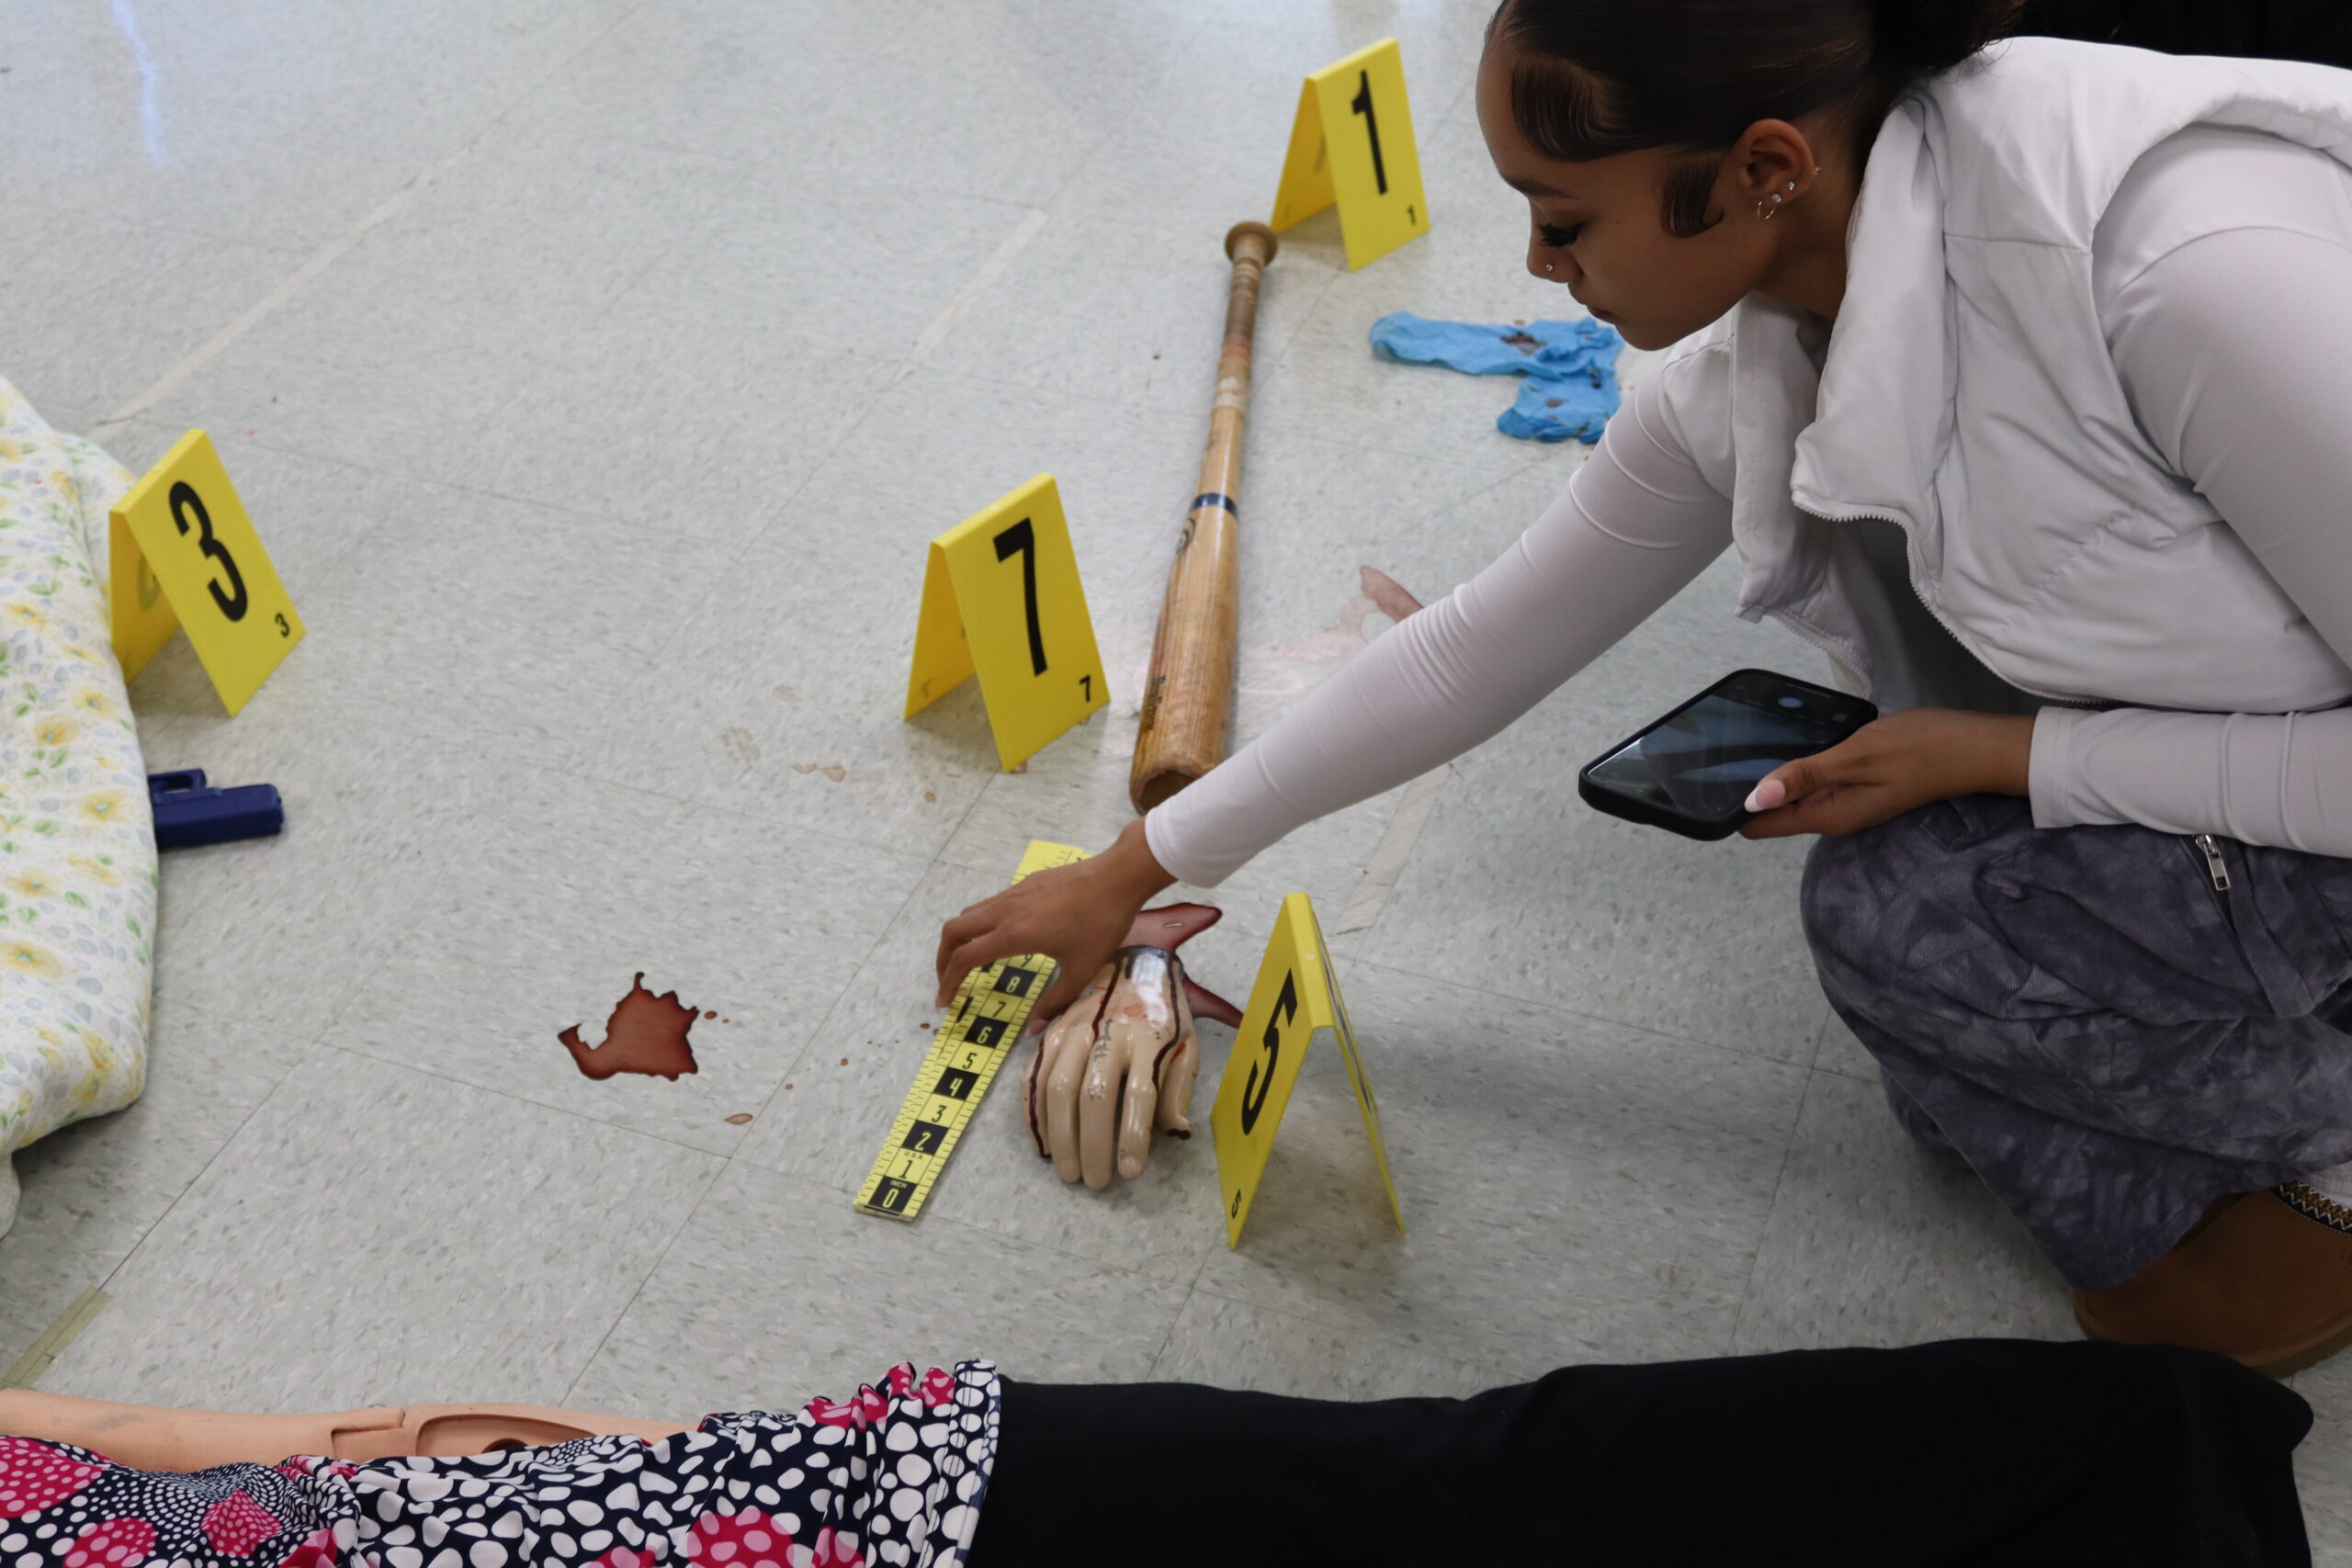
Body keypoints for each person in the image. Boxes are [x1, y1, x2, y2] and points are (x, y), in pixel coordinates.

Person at [934, 0, 2352, 1376]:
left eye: (1565, 219)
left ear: (1762, 167)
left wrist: (2013, 759)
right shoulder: (1786, 306)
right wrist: (1135, 866)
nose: (1541, 266)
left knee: (1909, 934)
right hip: (2234, 734)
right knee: (1949, 1063)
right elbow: (1478, 644)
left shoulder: (2187, 271)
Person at [0, 1338, 2318, 1566]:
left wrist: (520, 1439)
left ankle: (2155, 1477)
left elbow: (161, 1435)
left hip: (846, 1510)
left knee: (1497, 1486)